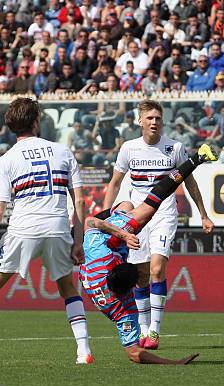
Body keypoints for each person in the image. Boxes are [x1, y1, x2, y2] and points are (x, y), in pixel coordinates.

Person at [0, 98, 91, 364]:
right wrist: (78, 241)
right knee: (68, 288)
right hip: (58, 227)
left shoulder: (6, 160)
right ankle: (83, 350)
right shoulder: (63, 151)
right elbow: (81, 201)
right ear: (36, 121)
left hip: (23, 229)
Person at [80, 143, 217, 363]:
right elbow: (135, 354)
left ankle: (196, 158)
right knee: (141, 205)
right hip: (109, 252)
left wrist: (123, 235)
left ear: (116, 264)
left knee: (150, 201)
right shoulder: (123, 308)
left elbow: (90, 221)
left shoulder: (101, 258)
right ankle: (148, 330)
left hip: (112, 238)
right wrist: (172, 363)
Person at [103, 100, 215, 350]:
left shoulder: (174, 148)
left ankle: (154, 331)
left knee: (156, 270)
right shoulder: (129, 149)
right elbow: (114, 183)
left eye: (158, 118)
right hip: (137, 218)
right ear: (140, 121)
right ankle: (143, 328)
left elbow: (190, 182)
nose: (154, 122)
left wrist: (204, 214)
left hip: (164, 213)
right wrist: (105, 216)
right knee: (140, 276)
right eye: (150, 118)